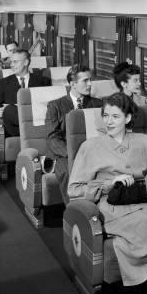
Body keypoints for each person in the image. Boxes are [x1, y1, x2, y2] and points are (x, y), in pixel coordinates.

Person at [68, 92, 147, 287]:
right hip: (111, 204)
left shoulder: (144, 141)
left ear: (127, 118)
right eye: (106, 115)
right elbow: (74, 190)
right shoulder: (90, 147)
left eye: (115, 116)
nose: (109, 121)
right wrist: (109, 184)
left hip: (142, 197)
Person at [46, 64, 103, 202]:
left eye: (90, 80)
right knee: (68, 171)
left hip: (92, 151)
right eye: (85, 81)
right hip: (66, 154)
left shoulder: (98, 104)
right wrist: (72, 154)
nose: (90, 84)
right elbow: (52, 137)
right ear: (73, 84)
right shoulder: (55, 106)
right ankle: (74, 210)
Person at [0, 49, 50, 137]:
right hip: (14, 128)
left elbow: (48, 106)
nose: (12, 65)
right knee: (9, 110)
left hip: (36, 119)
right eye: (11, 62)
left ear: (26, 62)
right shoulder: (3, 83)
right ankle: (30, 134)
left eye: (15, 62)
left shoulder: (43, 81)